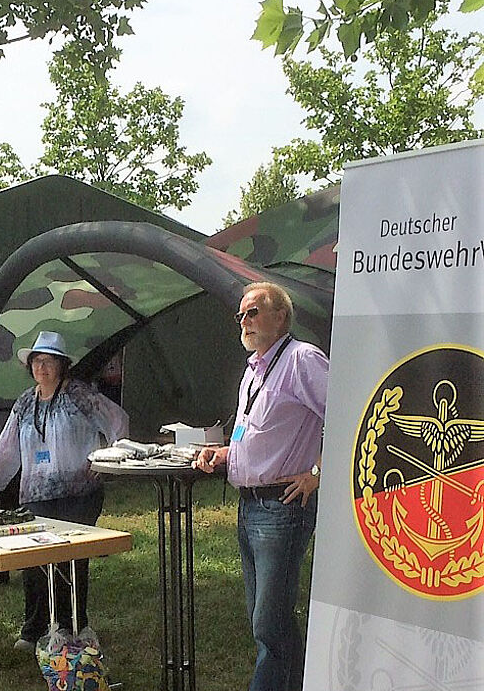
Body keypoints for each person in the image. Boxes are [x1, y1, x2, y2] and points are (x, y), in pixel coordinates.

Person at [194, 282, 327, 691]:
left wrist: (317, 473)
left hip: (283, 509)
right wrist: (223, 454)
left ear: (280, 317)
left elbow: (350, 415)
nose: (244, 321)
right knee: (268, 621)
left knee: (268, 623)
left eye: (253, 312)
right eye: (241, 315)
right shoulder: (255, 369)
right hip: (249, 506)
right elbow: (252, 435)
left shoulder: (302, 359)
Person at [0, 330, 128, 651]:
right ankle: (34, 630)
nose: (42, 368)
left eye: (49, 362)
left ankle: (73, 627)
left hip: (79, 495)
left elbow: (118, 421)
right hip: (37, 496)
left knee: (72, 562)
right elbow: (5, 451)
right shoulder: (25, 403)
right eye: (37, 361)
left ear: (62, 366)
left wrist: (104, 460)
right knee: (34, 563)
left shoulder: (80, 395)